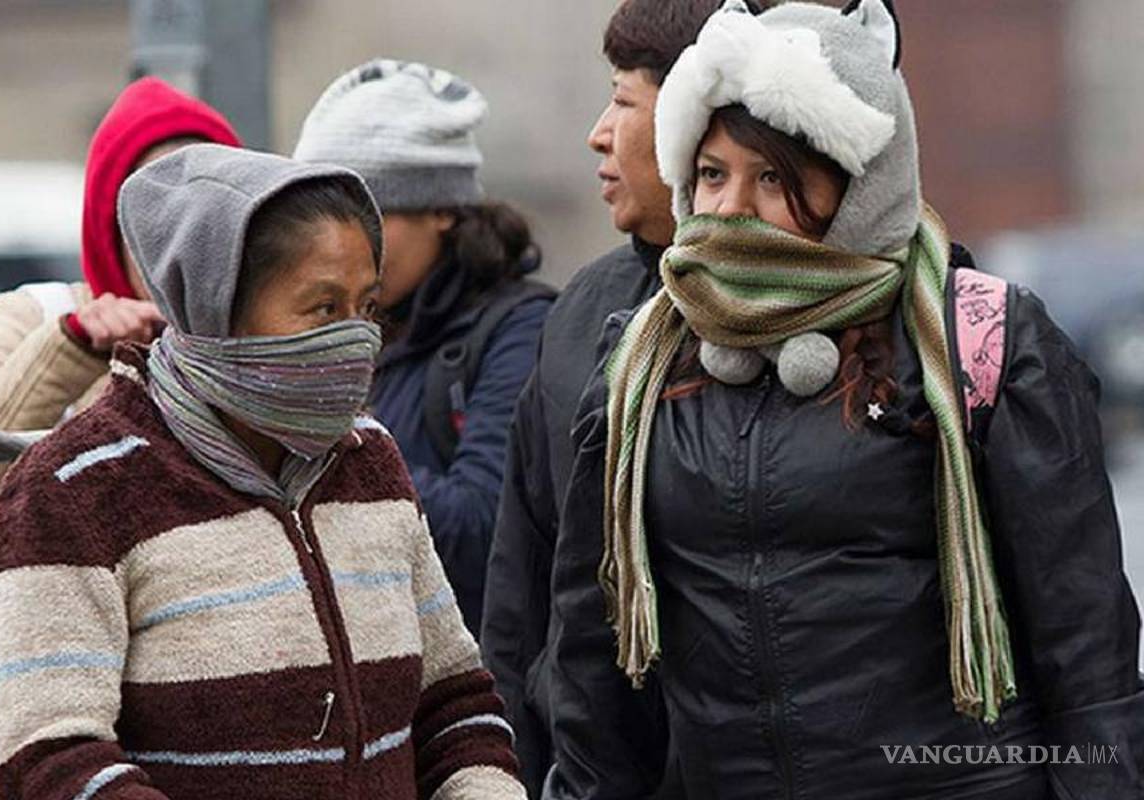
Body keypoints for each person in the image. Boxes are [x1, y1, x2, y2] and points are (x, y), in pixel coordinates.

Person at [546, 2, 1143, 798]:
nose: (730, 211)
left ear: (859, 191)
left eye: (772, 180)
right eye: (713, 174)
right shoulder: (640, 364)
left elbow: (1085, 646)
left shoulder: (979, 343)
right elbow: (594, 663)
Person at [0, 145, 525, 800]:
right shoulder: (74, 490)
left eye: (367, 307)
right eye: (323, 309)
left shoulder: (370, 462)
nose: (355, 340)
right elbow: (52, 758)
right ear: (216, 311)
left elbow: (454, 703)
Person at [0, 77, 240, 799]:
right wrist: (71, 351)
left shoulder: (258, 350)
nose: (177, 229)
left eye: (204, 203)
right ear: (111, 220)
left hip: (195, 747)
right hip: (0, 747)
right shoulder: (34, 317)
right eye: (150, 202)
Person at [478, 2, 722, 794]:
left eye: (623, 101)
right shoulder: (581, 314)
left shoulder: (823, 323)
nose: (597, 132)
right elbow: (522, 588)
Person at [293, 60, 555, 635]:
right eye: (318, 228)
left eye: (367, 221)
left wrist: (325, 423)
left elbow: (481, 532)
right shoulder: (332, 327)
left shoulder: (521, 330)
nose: (339, 254)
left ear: (442, 208)